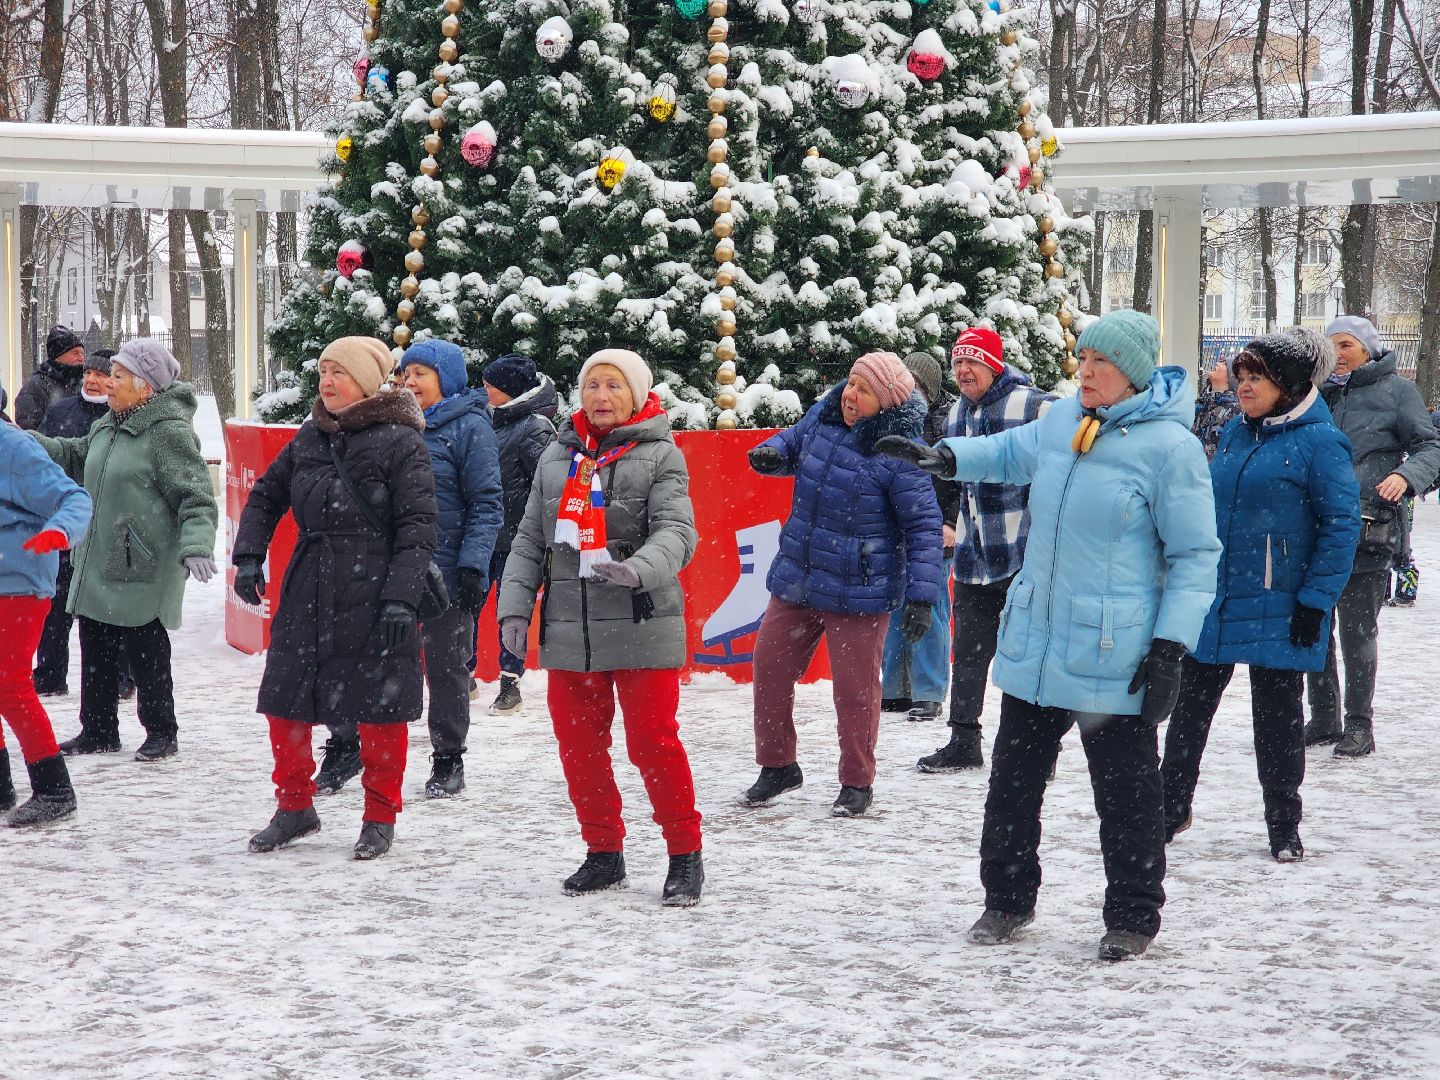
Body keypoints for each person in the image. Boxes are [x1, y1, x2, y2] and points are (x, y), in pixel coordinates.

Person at [879, 309, 1221, 961]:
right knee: (1012, 783)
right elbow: (1010, 453)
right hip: (1037, 640)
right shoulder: (1064, 419)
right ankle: (1006, 900)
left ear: (1135, 375)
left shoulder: (1170, 449)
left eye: (1102, 363)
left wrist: (1171, 645)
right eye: (1083, 359)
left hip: (1112, 651)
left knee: (1125, 795)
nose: (1086, 372)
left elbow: (1195, 556)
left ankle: (1132, 915)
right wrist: (945, 456)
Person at [497, 348, 704, 905]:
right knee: (579, 748)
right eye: (592, 386)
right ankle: (603, 851)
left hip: (641, 619)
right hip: (569, 628)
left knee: (652, 745)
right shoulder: (556, 456)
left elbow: (678, 532)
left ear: (636, 395)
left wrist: (636, 569)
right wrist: (514, 607)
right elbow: (528, 539)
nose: (602, 397)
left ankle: (685, 853)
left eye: (614, 386)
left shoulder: (662, 454)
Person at [234, 337, 437, 861]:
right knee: (285, 699)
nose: (327, 380)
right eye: (323, 370)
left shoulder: (400, 441)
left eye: (339, 372)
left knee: (380, 709)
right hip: (308, 586)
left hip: (375, 588)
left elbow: (418, 527)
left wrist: (400, 598)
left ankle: (379, 815)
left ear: (367, 382)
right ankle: (295, 806)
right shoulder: (310, 437)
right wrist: (250, 556)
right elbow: (265, 496)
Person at [1161, 331, 1360, 862]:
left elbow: (1341, 527)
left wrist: (1315, 601)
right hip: (1219, 597)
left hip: (1283, 603)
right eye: (1241, 376)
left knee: (1276, 720)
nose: (1242, 387)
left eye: (1256, 378)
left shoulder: (1322, 443)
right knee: (1189, 711)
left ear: (1289, 386)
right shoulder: (1233, 434)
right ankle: (1169, 807)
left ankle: (1283, 823)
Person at [740, 351, 944, 818]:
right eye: (851, 383)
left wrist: (922, 597)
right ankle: (778, 766)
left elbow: (924, 526)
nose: (851, 395)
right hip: (798, 576)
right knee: (770, 673)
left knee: (854, 693)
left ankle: (856, 781)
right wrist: (772, 453)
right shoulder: (824, 416)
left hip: (859, 590)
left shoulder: (899, 452)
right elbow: (792, 443)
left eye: (864, 390)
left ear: (888, 402)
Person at [30, 339, 218, 763]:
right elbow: (75, 455)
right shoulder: (108, 425)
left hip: (144, 565)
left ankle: (161, 732)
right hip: (99, 559)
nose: (106, 385)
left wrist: (196, 546)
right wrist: (28, 442)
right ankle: (98, 731)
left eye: (117, 377)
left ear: (145, 387)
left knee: (147, 653)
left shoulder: (168, 432)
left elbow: (196, 498)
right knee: (94, 648)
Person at [918, 326, 1053, 773]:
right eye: (957, 362)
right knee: (969, 652)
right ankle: (963, 739)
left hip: (1024, 552)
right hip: (975, 555)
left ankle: (1039, 747)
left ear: (993, 365)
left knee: (1031, 654)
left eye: (971, 361)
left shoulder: (1034, 404)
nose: (962, 370)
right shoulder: (955, 414)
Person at [1304, 316, 1440, 756]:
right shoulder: (1313, 392)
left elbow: (1431, 446)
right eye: (1331, 346)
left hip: (1369, 527)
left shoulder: (1397, 391)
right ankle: (1323, 718)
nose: (1338, 354)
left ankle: (1359, 725)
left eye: (1346, 345)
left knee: (1357, 632)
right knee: (1314, 627)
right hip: (1314, 529)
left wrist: (1405, 476)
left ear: (1368, 349)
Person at [396, 339, 503, 798]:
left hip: (446, 572)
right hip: (396, 567)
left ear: (447, 378)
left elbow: (486, 502)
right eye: (405, 372)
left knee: (445, 669)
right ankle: (370, 752)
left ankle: (448, 758)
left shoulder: (469, 427)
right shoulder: (394, 422)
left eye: (421, 372)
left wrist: (471, 566)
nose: (410, 381)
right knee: (386, 665)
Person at [1, 380, 93, 826]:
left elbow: (74, 497)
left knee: (9, 684)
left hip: (18, 578)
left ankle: (54, 788)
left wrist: (61, 531)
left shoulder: (15, 449)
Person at [32, 349, 134, 699]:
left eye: (101, 374)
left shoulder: (119, 416)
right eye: (88, 372)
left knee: (109, 606)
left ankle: (122, 677)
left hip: (106, 524)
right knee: (55, 603)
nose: (91, 379)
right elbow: (52, 455)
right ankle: (49, 674)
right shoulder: (60, 411)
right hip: (64, 518)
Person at [878, 351, 960, 722]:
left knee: (933, 606)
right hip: (895, 530)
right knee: (894, 606)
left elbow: (962, 480)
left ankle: (929, 689)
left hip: (936, 530)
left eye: (915, 385)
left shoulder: (950, 423)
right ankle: (895, 687)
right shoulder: (887, 419)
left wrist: (953, 523)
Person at [481, 352, 558, 717]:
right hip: (483, 534)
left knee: (509, 610)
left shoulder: (535, 427)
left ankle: (509, 682)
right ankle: (463, 674)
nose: (484, 390)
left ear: (509, 391)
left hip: (515, 539)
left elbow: (547, 485)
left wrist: (535, 536)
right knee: (465, 606)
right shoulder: (489, 419)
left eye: (490, 385)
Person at [15, 326, 86, 431]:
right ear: (58, 356)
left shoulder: (82, 385)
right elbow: (29, 427)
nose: (81, 358)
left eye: (82, 353)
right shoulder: (36, 386)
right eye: (75, 353)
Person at [1193, 357, 1241, 461]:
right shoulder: (1201, 403)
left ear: (1231, 377)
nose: (1218, 363)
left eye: (1224, 363)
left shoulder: (1236, 411)